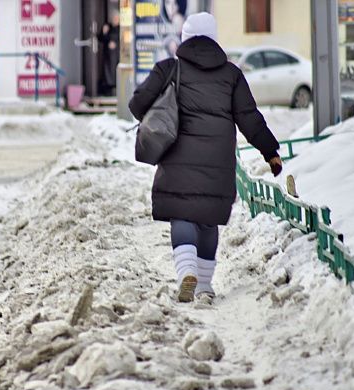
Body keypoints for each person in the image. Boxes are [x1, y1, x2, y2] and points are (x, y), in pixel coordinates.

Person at [129, 13, 283, 303]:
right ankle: (204, 287)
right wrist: (270, 152)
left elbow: (137, 104)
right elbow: (249, 119)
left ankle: (186, 272)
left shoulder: (168, 69)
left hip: (177, 157)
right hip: (217, 160)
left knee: (183, 214)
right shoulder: (231, 75)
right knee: (207, 220)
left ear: (185, 38)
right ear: (214, 39)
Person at [99, 12, 120, 96]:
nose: (115, 20)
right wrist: (104, 33)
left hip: (117, 55)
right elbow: (101, 38)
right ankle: (108, 90)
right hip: (108, 55)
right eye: (114, 18)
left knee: (115, 71)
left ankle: (115, 89)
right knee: (108, 72)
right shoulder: (108, 27)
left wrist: (116, 44)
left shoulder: (121, 29)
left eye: (116, 19)